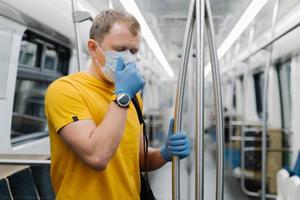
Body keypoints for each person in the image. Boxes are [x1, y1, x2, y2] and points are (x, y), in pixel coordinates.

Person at [45, 9, 191, 200]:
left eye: (133, 51)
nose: (129, 57)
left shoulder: (133, 98)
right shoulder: (66, 90)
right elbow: (97, 157)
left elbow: (137, 159)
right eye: (120, 49)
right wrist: (122, 96)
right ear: (93, 47)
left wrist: (164, 153)